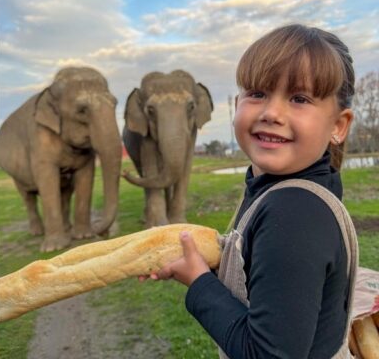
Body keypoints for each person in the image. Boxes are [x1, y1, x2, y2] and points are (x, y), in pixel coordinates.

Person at [152, 24, 357, 358]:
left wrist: (200, 283)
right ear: (237, 104)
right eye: (258, 93)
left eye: (299, 98)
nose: (271, 113)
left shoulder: (293, 214)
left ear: (338, 126)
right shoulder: (280, 192)